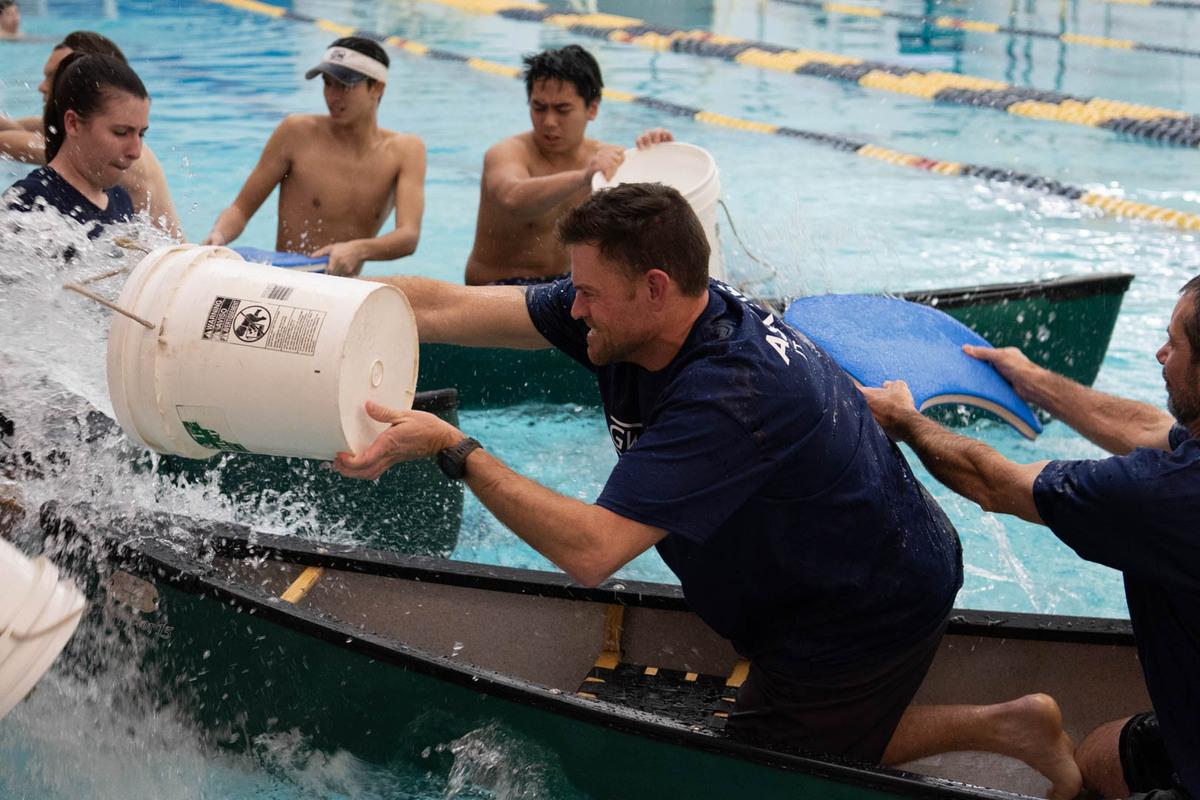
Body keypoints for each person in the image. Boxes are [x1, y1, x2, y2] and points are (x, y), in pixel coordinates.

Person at [349, 183, 1080, 794]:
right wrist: (323, 299)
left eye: (589, 294)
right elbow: (445, 307)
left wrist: (454, 448)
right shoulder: (643, 316)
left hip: (866, 604)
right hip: (828, 561)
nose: (573, 310)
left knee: (763, 767)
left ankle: (1007, 724)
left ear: (655, 288)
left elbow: (593, 551)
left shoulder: (727, 396)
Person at [862, 277, 1200, 799]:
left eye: (1174, 343)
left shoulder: (1165, 496)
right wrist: (1033, 379)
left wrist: (905, 420)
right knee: (1097, 758)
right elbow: (1151, 428)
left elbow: (995, 483)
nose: (1159, 353)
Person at [201, 36, 425, 277]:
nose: (332, 96)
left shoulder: (405, 151)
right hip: (287, 280)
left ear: (378, 88)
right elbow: (240, 209)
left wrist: (358, 250)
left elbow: (408, 236)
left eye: (345, 86)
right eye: (327, 83)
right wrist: (219, 234)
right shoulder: (296, 133)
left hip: (345, 288)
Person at [464, 44, 672, 285]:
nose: (549, 122)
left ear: (592, 109)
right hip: (499, 287)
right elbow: (511, 197)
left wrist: (659, 156)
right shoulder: (507, 153)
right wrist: (584, 176)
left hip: (567, 287)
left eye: (562, 110)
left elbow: (656, 223)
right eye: (539, 108)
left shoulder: (608, 161)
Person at [0, 31, 181, 236]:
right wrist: (9, 124)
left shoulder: (119, 188)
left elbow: (26, 144)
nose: (43, 86)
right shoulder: (29, 204)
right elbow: (40, 128)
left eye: (58, 75)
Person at [4, 52, 148, 242]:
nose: (135, 152)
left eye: (141, 134)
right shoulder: (28, 203)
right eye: (121, 132)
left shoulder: (121, 200)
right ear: (73, 123)